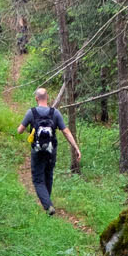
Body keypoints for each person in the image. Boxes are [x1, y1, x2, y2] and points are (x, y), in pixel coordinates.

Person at [18, 86, 80, 215]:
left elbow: (19, 130)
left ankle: (48, 206)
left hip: (37, 150)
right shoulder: (55, 113)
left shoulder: (31, 112)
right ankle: (48, 204)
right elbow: (66, 132)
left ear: (36, 98)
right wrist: (76, 148)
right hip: (51, 150)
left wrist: (29, 130)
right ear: (48, 98)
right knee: (48, 174)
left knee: (37, 179)